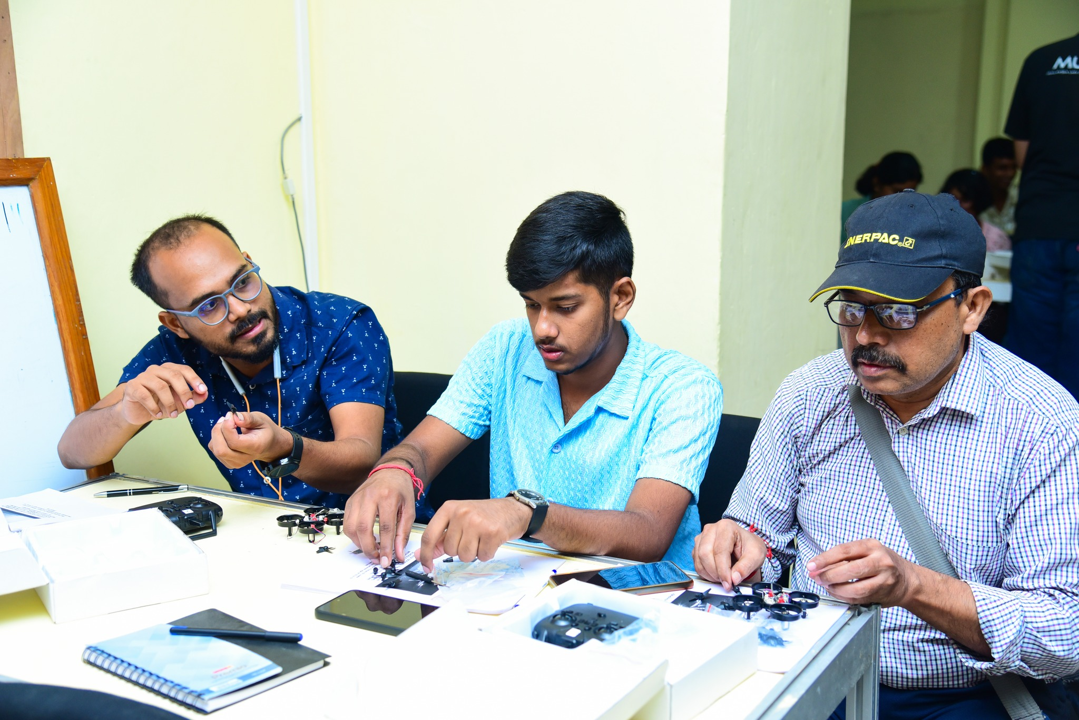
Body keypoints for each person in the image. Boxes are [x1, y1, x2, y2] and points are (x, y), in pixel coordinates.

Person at [694, 191, 1079, 719]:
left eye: (899, 312)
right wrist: (739, 545)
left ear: (972, 308)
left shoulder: (1042, 423)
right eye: (852, 308)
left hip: (963, 696)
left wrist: (915, 586)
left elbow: (1065, 630)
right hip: (811, 669)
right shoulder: (810, 394)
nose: (865, 336)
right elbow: (759, 535)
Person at [343, 191, 722, 572]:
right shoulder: (504, 347)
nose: (542, 328)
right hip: (513, 589)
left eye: (565, 307)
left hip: (636, 597)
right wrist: (396, 471)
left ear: (620, 298)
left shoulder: (683, 387)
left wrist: (528, 512)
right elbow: (421, 451)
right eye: (531, 304)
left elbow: (648, 533)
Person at [58, 215, 401, 508]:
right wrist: (125, 414)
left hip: (376, 532)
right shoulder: (175, 350)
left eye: (242, 281)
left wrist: (283, 447)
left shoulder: (338, 324)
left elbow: (361, 463)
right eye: (209, 305)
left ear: (249, 262)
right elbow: (72, 452)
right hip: (266, 535)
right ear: (176, 324)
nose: (240, 308)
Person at [1003, 33, 1079, 401]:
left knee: (1030, 346)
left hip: (1039, 223)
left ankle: (1031, 427)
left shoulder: (1041, 60)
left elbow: (1022, 155)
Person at [840, 151, 922, 242]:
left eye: (911, 192)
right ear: (877, 184)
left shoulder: (918, 220)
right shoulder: (844, 213)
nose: (905, 198)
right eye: (897, 191)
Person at [940, 169, 1011, 252]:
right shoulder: (934, 233)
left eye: (964, 200)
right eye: (952, 199)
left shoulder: (996, 239)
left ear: (978, 202)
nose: (956, 206)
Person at [978, 137, 1018, 237]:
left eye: (1014, 167)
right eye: (1002, 168)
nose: (1010, 174)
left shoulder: (1021, 198)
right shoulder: (972, 202)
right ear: (985, 169)